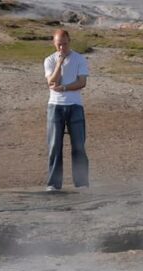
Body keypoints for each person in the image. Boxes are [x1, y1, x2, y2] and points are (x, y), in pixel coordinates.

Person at [44, 29, 89, 191]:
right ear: (54, 43)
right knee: (54, 146)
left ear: (69, 41)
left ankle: (82, 183)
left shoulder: (79, 59)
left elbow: (82, 82)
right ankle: (54, 184)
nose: (62, 48)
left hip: (75, 105)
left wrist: (64, 87)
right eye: (59, 45)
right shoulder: (49, 60)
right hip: (55, 106)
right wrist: (59, 64)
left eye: (64, 44)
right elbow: (51, 82)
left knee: (78, 146)